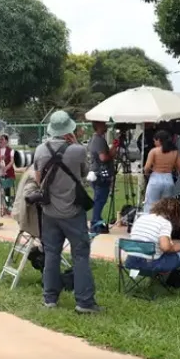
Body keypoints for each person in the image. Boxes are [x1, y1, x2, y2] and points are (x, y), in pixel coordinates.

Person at [33, 110, 101, 314]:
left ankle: (50, 298)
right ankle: (84, 302)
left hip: (49, 212)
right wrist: (75, 143)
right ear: (68, 130)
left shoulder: (40, 150)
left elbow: (38, 180)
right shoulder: (77, 150)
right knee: (80, 255)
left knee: (52, 254)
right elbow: (83, 173)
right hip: (72, 211)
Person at [127, 198, 180, 292]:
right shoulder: (164, 223)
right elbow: (165, 247)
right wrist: (177, 247)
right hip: (149, 266)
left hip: (132, 262)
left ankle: (157, 281)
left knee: (155, 253)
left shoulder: (142, 218)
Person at [143, 130, 180, 213]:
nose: (154, 143)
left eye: (155, 141)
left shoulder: (154, 151)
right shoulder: (175, 152)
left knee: (150, 205)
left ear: (159, 140)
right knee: (166, 207)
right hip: (169, 179)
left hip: (155, 178)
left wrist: (147, 173)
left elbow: (146, 168)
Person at [87, 120, 117, 229]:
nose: (106, 125)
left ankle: (96, 220)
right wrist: (112, 154)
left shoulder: (95, 139)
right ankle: (95, 223)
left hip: (97, 174)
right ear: (98, 125)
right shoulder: (99, 140)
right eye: (104, 124)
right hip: (101, 175)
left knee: (99, 198)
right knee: (100, 199)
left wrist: (114, 147)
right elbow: (103, 158)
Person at [0, 133, 16, 215]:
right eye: (0, 139)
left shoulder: (11, 150)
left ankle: (7, 205)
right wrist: (0, 167)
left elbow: (12, 161)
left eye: (2, 139)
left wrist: (6, 168)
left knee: (7, 188)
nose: (0, 141)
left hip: (8, 172)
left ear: (6, 141)